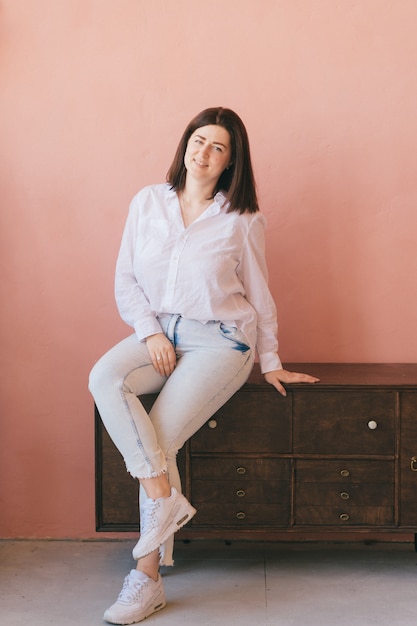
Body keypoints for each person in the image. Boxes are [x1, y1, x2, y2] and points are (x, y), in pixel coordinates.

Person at [89, 106, 319, 625]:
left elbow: (259, 294)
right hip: (158, 334)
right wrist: (150, 332)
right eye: (198, 140)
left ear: (230, 162)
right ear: (185, 145)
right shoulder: (148, 202)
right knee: (104, 376)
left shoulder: (242, 219)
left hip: (221, 343)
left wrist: (272, 360)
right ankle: (165, 501)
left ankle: (145, 578)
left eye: (218, 147)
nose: (204, 152)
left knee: (161, 438)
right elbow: (126, 279)